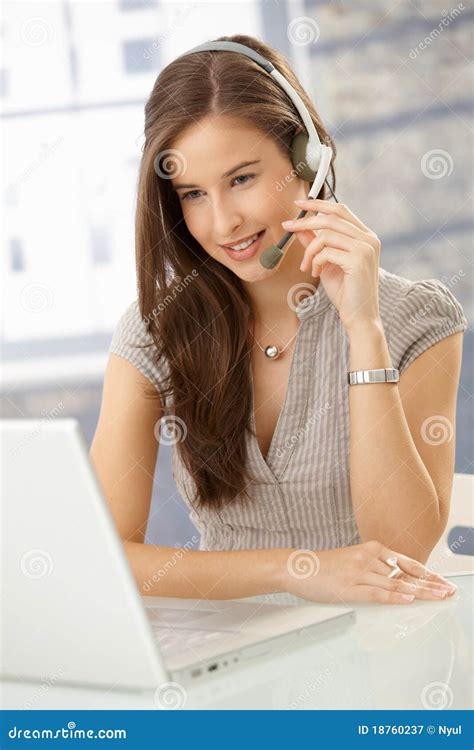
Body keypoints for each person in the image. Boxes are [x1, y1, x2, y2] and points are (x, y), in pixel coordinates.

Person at [90, 34, 467, 606]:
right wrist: (294, 569)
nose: (223, 224)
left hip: (378, 648)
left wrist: (364, 330)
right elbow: (104, 553)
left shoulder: (417, 319)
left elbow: (399, 549)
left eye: (242, 179)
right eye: (193, 194)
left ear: (307, 159)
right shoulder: (157, 328)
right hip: (230, 652)